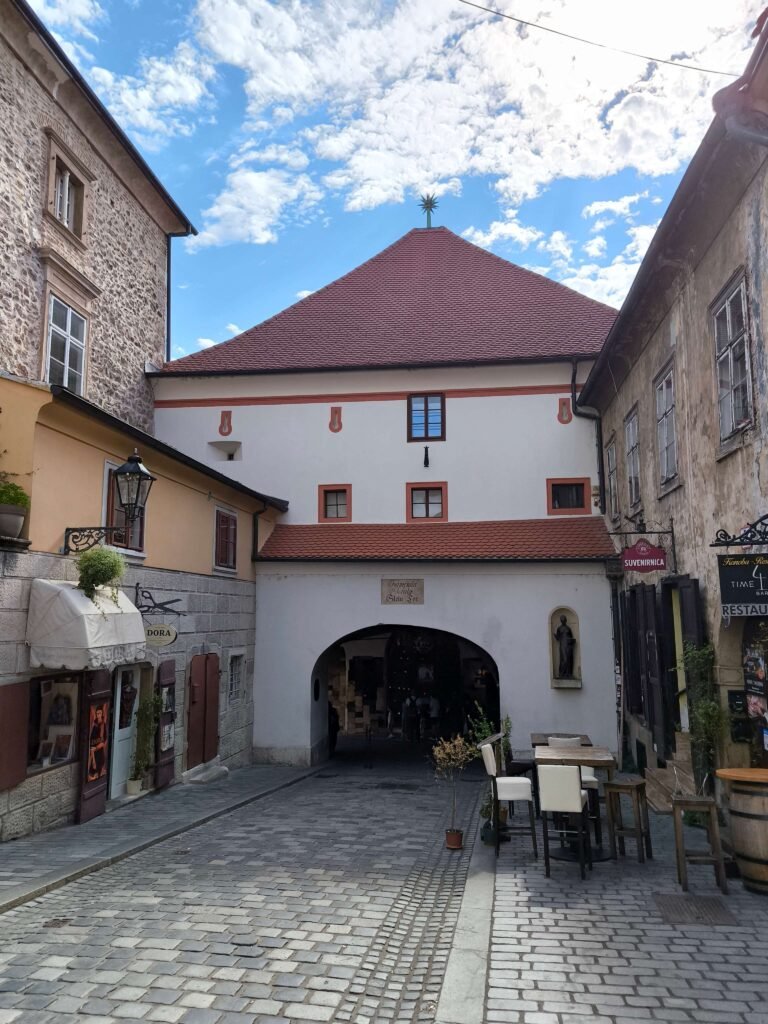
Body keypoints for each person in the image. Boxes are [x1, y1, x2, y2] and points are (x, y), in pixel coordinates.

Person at [554, 614, 576, 678]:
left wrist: (571, 641)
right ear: (561, 621)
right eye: (562, 620)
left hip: (568, 645)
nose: (563, 621)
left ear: (566, 620)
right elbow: (558, 638)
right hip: (563, 645)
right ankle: (562, 673)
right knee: (563, 659)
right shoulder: (559, 628)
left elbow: (571, 637)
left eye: (564, 620)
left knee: (569, 658)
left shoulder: (568, 628)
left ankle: (569, 674)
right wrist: (556, 636)